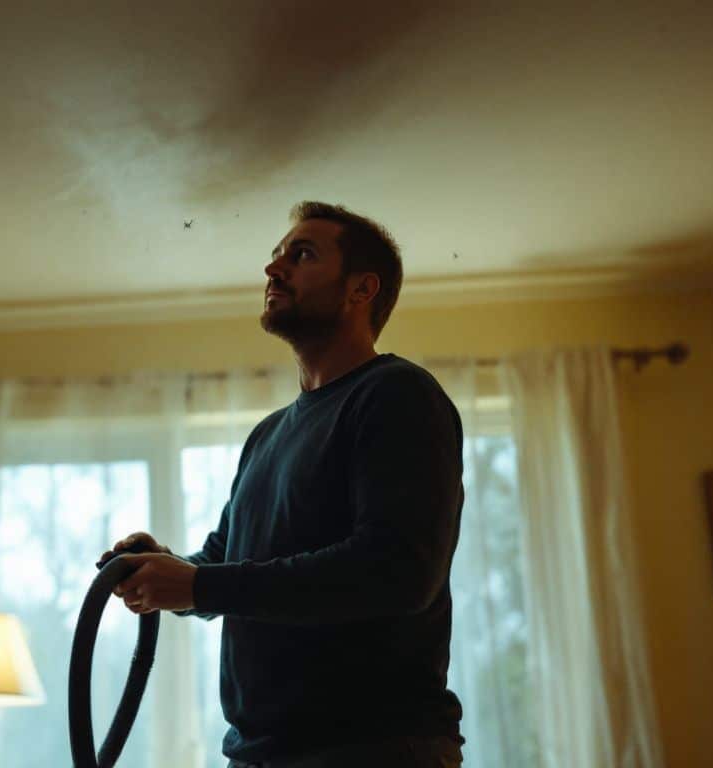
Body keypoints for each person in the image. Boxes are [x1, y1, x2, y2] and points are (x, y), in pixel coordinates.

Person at [101, 202, 466, 767]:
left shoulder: (397, 394)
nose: (273, 271)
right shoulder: (267, 436)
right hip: (259, 755)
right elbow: (224, 564)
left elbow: (396, 571)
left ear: (361, 288)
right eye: (276, 257)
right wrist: (165, 567)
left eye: (302, 255)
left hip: (370, 751)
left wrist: (197, 585)